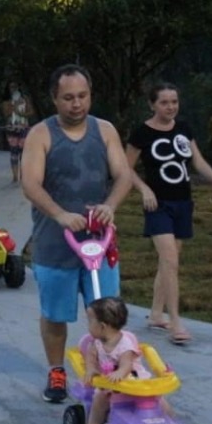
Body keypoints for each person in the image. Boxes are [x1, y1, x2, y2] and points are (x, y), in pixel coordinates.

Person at [21, 63, 133, 403]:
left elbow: (124, 176)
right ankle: (57, 371)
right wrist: (60, 214)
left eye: (82, 96)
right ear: (55, 99)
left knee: (107, 312)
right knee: (56, 314)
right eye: (68, 97)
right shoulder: (41, 134)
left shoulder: (106, 131)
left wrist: (110, 205)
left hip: (100, 243)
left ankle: (109, 368)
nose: (76, 104)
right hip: (57, 244)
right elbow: (30, 184)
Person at [125, 82, 212, 346]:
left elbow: (197, 161)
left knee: (169, 262)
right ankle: (175, 321)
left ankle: (155, 314)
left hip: (183, 203)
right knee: (170, 260)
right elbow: (124, 168)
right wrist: (143, 190)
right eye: (164, 102)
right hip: (158, 205)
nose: (170, 107)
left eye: (174, 102)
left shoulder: (184, 129)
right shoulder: (142, 133)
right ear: (152, 104)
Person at [73, 296, 154, 424]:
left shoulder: (125, 344)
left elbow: (127, 364)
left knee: (157, 401)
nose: (88, 326)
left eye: (90, 322)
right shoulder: (95, 343)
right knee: (98, 403)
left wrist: (120, 373)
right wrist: (90, 369)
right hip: (109, 385)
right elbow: (89, 359)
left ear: (102, 326)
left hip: (133, 382)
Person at [1, 81, 32, 184]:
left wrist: (20, 112)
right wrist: (14, 105)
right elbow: (6, 114)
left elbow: (30, 112)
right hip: (11, 128)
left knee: (23, 152)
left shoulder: (25, 99)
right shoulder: (7, 101)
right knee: (14, 152)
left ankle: (24, 175)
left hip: (23, 127)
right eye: (11, 87)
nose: (13, 89)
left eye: (15, 86)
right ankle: (15, 176)